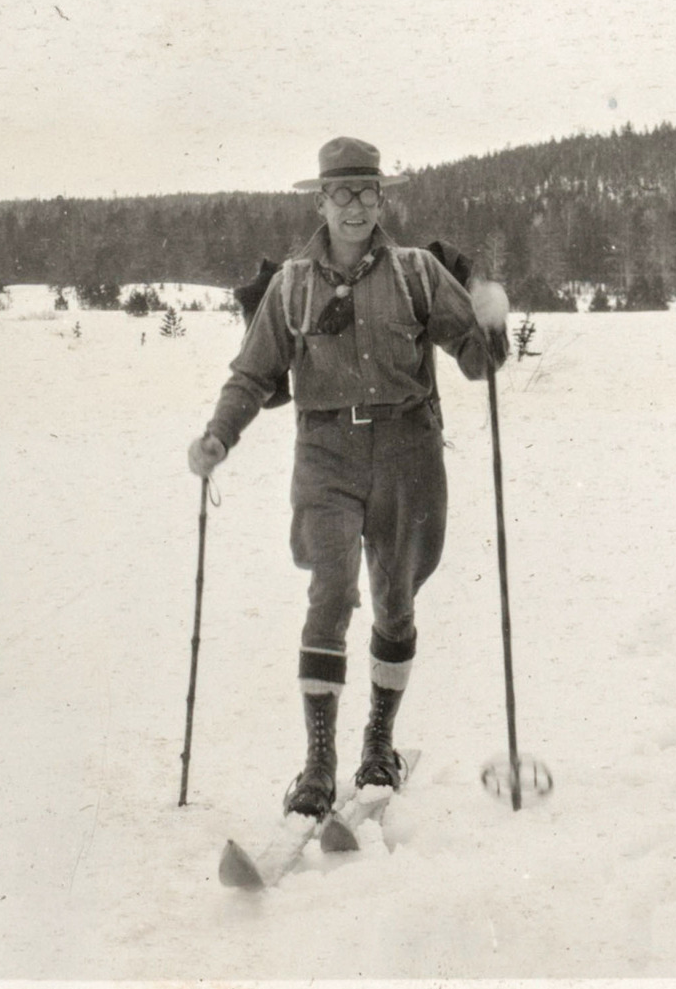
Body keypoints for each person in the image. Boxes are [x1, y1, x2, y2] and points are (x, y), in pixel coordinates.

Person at [186, 137, 509, 818]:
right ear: (320, 200)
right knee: (329, 589)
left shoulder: (417, 273)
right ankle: (317, 761)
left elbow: (475, 359)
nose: (355, 205)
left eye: (367, 191)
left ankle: (378, 741)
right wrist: (219, 432)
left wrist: (489, 320)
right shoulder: (292, 284)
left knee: (394, 601)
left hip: (408, 452)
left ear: (381, 198)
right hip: (325, 452)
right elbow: (252, 373)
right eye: (342, 192)